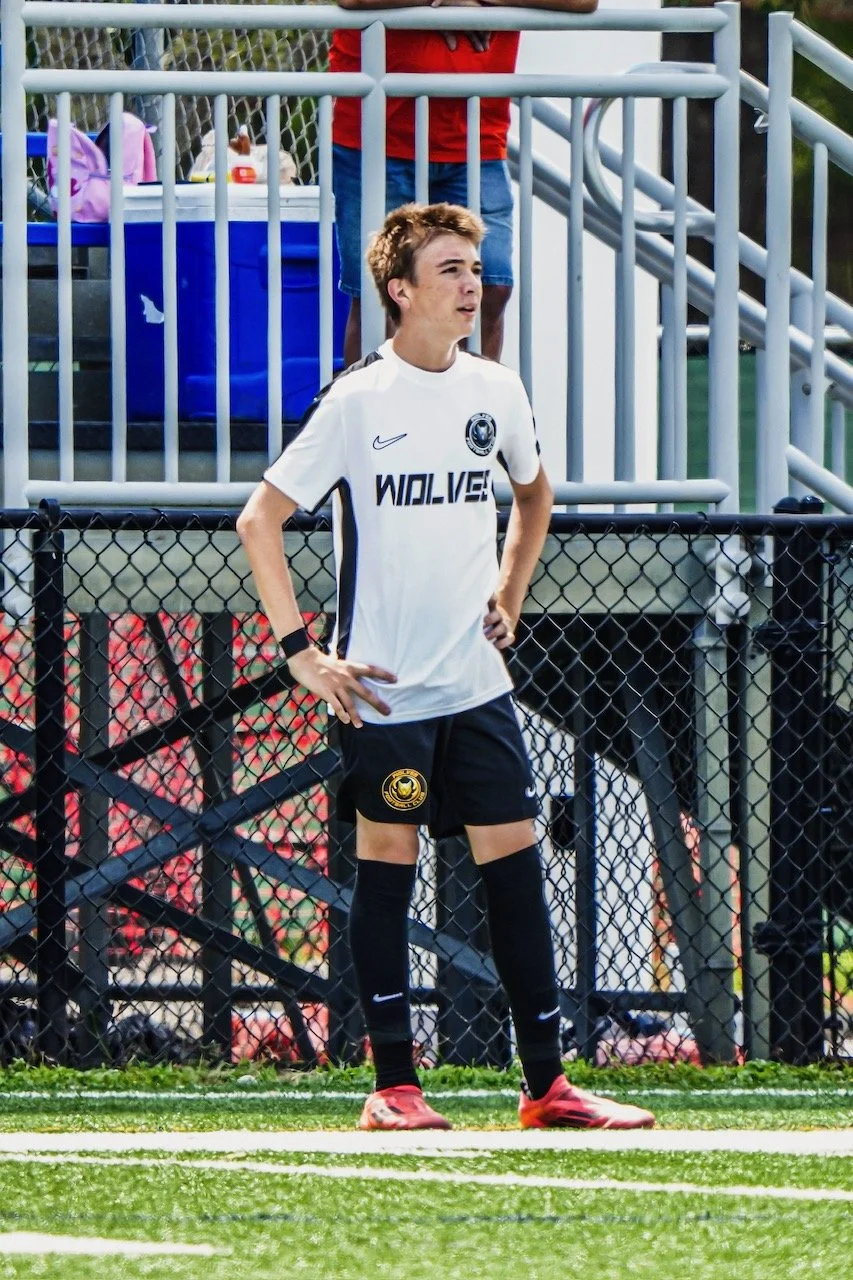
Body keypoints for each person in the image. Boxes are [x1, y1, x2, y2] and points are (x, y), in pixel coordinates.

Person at [237, 202, 654, 1131]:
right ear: (400, 289)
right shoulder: (358, 400)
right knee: (387, 868)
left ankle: (545, 1086)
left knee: (515, 869)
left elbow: (533, 493)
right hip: (384, 694)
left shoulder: (494, 390)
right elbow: (258, 521)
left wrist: (510, 591)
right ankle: (392, 1088)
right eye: (451, 270)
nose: (472, 284)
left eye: (474, 268)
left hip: (477, 686)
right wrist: (301, 654)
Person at [331, 0, 599, 366]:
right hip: (377, 135)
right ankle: (371, 418)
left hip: (476, 138)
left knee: (490, 283)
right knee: (382, 297)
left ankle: (473, 418)